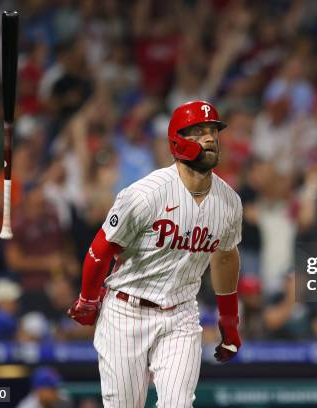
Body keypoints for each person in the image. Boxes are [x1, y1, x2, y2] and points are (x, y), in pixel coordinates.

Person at [67, 100, 243, 407]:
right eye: (198, 131)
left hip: (181, 314)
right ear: (177, 140)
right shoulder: (145, 194)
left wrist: (229, 319)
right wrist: (88, 297)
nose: (210, 138)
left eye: (213, 131)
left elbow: (226, 257)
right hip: (126, 311)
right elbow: (102, 248)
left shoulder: (229, 202)